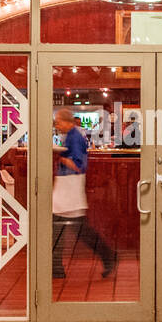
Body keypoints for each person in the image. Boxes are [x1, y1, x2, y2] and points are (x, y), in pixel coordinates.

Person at [52, 107, 117, 279]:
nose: (56, 125)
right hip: (67, 191)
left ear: (67, 122)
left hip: (69, 191)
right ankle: (56, 267)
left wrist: (60, 157)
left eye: (58, 122)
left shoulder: (75, 138)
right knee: (72, 230)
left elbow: (79, 165)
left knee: (74, 230)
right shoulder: (72, 136)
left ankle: (108, 255)